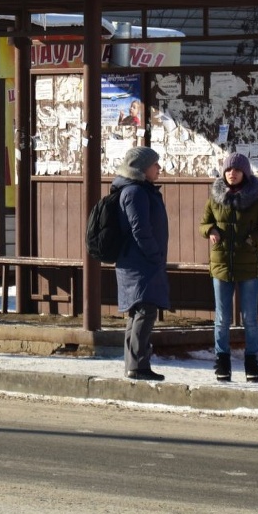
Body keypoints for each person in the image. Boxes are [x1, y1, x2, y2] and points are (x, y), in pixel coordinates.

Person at [200, 152, 258, 383]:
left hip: (249, 268)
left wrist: (254, 238)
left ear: (245, 173)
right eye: (227, 170)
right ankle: (222, 361)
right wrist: (211, 231)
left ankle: (251, 362)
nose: (231, 174)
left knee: (250, 318)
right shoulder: (214, 199)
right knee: (222, 317)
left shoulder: (257, 201)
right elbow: (203, 224)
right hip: (221, 265)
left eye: (236, 170)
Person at [112, 146, 169, 381]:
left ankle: (135, 364)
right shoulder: (135, 192)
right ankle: (137, 365)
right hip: (140, 263)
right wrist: (154, 254)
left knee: (139, 311)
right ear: (143, 168)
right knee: (145, 310)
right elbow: (140, 229)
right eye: (155, 164)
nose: (159, 168)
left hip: (138, 261)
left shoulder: (137, 189)